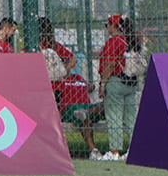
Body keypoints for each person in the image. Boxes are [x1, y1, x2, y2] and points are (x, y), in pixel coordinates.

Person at [38, 16, 100, 159]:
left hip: (54, 86)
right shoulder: (42, 46)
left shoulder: (53, 46)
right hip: (52, 87)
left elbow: (73, 58)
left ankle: (54, 149)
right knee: (51, 118)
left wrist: (63, 71)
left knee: (52, 118)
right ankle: (52, 148)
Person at [98, 13, 144, 160]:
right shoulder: (131, 40)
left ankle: (114, 151)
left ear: (115, 26)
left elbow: (110, 64)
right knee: (131, 117)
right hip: (131, 81)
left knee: (114, 116)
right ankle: (134, 149)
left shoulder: (114, 41)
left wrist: (103, 83)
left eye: (108, 24)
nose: (107, 28)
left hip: (116, 81)